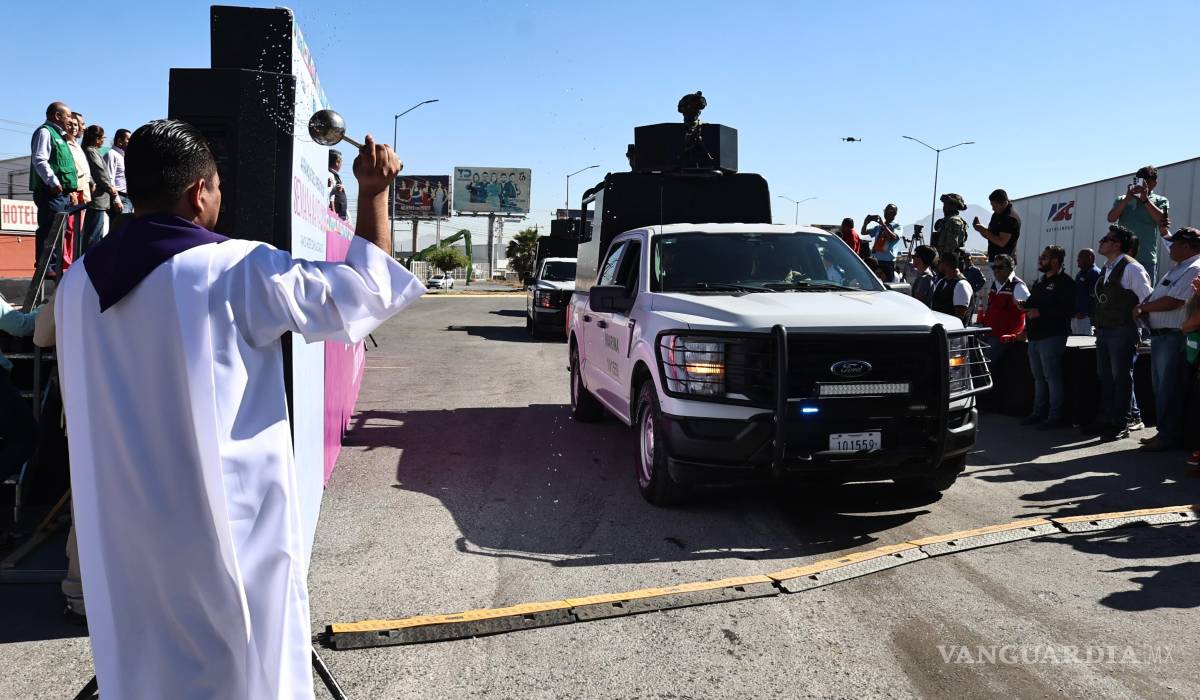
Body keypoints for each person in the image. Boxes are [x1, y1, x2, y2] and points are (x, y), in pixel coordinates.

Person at [54, 120, 425, 699]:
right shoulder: (233, 270)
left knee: (142, 672)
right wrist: (376, 193)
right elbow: (366, 292)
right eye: (218, 187)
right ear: (198, 192)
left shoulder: (78, 283)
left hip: (125, 543)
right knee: (241, 669)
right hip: (221, 538)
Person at [1084, 225, 1153, 442]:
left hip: (1123, 331)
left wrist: (1139, 313)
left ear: (1117, 244)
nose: (1101, 242)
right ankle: (1108, 418)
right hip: (1105, 330)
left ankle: (1120, 423)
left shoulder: (1131, 268)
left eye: (1106, 239)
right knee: (1106, 377)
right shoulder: (1107, 267)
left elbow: (1147, 297)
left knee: (1121, 378)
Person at [1134, 227, 1200, 451]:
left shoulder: (1195, 267)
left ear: (1187, 246)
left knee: (1169, 388)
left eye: (1176, 242)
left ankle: (1169, 436)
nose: (1171, 247)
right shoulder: (1178, 268)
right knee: (1162, 387)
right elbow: (1161, 296)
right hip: (1162, 337)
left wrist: (1143, 307)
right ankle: (1165, 432)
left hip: (1175, 337)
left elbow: (1175, 301)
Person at [1021, 246, 1076, 429]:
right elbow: (1032, 304)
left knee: (1052, 376)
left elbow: (1068, 310)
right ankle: (1038, 413)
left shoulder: (1066, 283)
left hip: (1052, 336)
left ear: (1054, 261)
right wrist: (1024, 306)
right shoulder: (1040, 282)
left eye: (1044, 257)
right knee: (1038, 377)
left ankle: (1055, 416)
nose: (1040, 259)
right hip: (1035, 337)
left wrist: (1041, 312)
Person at [30, 102, 79, 268]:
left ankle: (54, 266)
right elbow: (39, 159)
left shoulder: (61, 136)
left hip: (63, 194)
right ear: (57, 116)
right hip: (50, 192)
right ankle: (47, 266)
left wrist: (70, 191)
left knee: (60, 231)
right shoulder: (45, 132)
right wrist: (53, 182)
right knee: (50, 228)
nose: (70, 120)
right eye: (67, 116)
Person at [1107, 165, 1169, 281]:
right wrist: (1126, 199)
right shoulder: (1122, 199)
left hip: (1146, 257)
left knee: (1144, 296)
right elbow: (1111, 218)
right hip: (1121, 256)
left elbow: (1162, 220)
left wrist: (1145, 200)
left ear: (1155, 183)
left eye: (1147, 182)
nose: (1143, 185)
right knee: (1117, 294)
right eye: (1140, 181)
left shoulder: (1161, 201)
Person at [978, 254, 1029, 363]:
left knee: (984, 366)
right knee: (975, 362)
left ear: (1010, 268)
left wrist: (1024, 332)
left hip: (1004, 337)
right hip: (989, 334)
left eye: (1000, 267)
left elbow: (1030, 310)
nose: (996, 270)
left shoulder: (1018, 286)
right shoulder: (994, 284)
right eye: (994, 267)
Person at [82, 125, 117, 253]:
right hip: (97, 199)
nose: (103, 141)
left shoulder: (92, 150)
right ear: (96, 138)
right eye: (102, 138)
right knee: (94, 235)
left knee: (95, 233)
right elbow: (100, 172)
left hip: (100, 198)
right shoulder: (90, 151)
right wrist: (110, 188)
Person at [973, 188, 1021, 262]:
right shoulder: (997, 215)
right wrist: (979, 229)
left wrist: (982, 229)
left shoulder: (1010, 218)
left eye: (994, 206)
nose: (992, 208)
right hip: (994, 260)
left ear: (1003, 203)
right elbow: (990, 236)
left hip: (1005, 264)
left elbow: (1001, 242)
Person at [931, 250, 973, 322]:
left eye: (939, 262)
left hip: (952, 331)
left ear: (945, 264)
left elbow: (959, 317)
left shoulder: (961, 285)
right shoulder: (942, 281)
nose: (937, 266)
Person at [863, 203, 901, 281]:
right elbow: (864, 232)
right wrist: (866, 222)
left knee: (887, 285)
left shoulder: (896, 226)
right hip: (876, 261)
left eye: (889, 211)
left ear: (895, 213)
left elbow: (894, 237)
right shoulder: (878, 227)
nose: (886, 213)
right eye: (885, 211)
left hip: (887, 262)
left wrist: (883, 225)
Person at [103, 128, 131, 222]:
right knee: (119, 228)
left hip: (127, 197)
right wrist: (116, 201)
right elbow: (109, 179)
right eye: (128, 140)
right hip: (120, 197)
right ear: (119, 141)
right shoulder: (111, 154)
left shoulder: (123, 156)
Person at [1072, 248, 1101, 335]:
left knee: (1083, 343)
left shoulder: (1095, 273)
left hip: (1086, 318)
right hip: (1077, 316)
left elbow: (1094, 296)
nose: (1077, 259)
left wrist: (1084, 313)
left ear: (1090, 258)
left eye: (1080, 257)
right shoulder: (1080, 273)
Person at [931, 193, 969, 259]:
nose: (944, 207)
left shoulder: (954, 221)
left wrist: (943, 261)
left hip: (947, 261)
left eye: (947, 204)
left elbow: (951, 246)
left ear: (953, 206)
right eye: (944, 204)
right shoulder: (945, 221)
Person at [327, 149, 348, 220]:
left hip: (338, 217)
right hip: (335, 217)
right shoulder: (330, 175)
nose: (342, 164)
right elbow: (331, 198)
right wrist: (334, 215)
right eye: (341, 162)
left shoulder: (335, 176)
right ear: (337, 162)